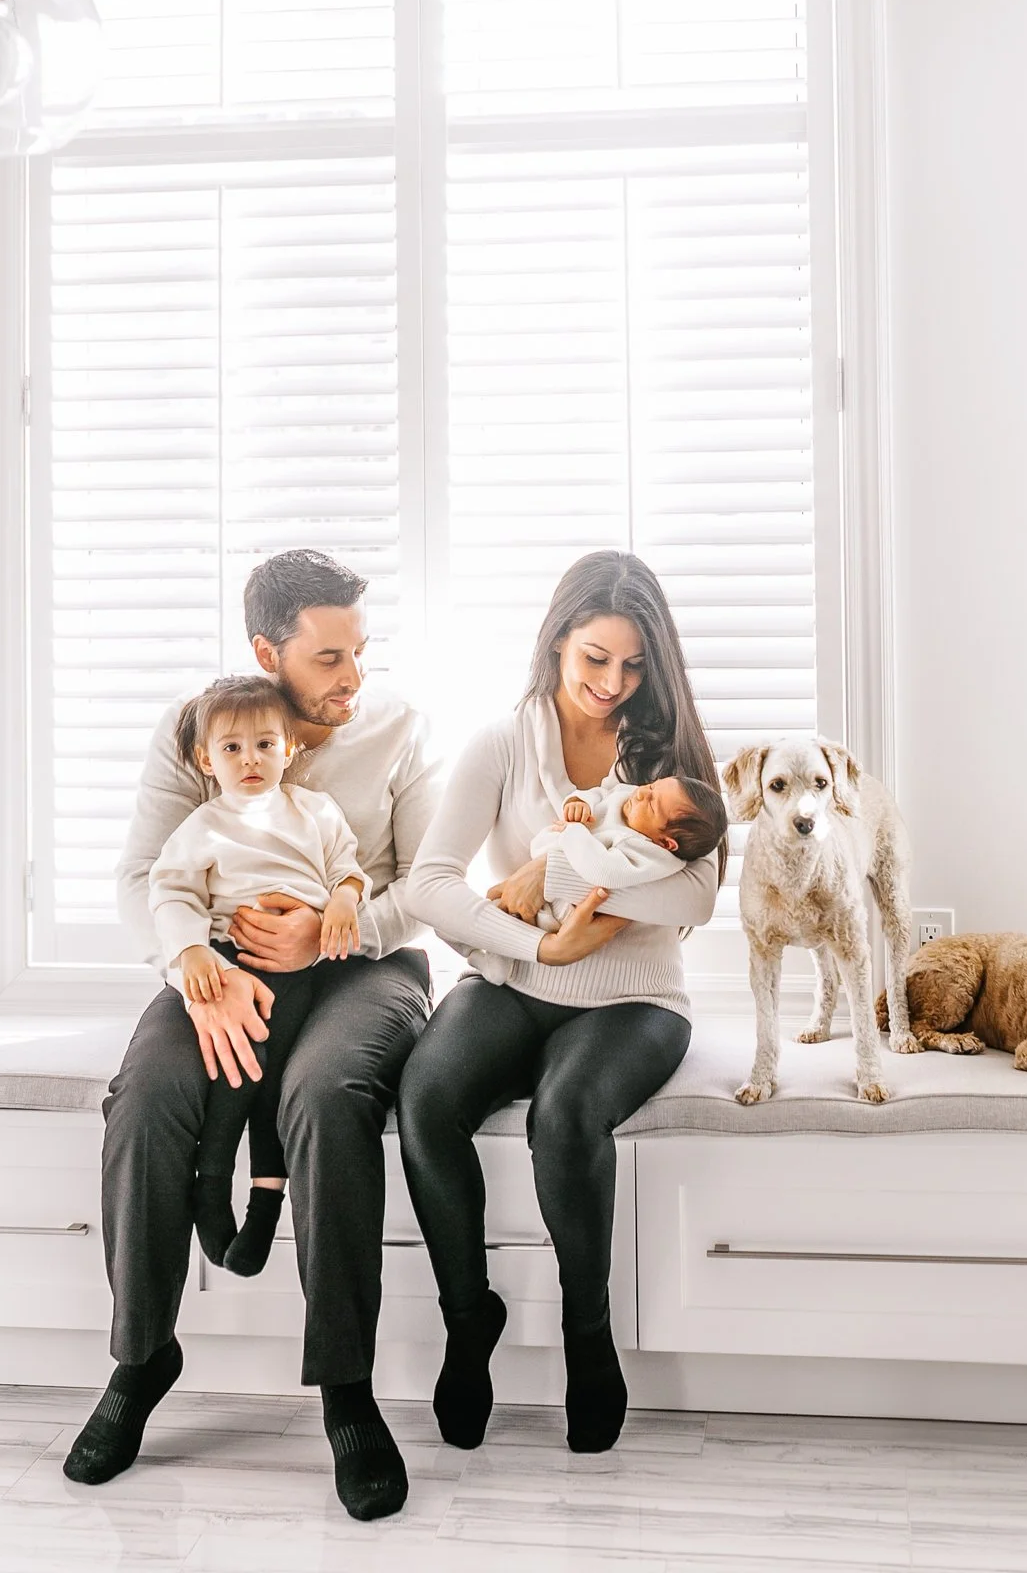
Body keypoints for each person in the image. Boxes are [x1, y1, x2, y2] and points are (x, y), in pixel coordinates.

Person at [63, 550, 439, 1524]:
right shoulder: (202, 730)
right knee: (147, 1096)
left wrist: (335, 926)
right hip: (223, 965)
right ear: (267, 651)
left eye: (360, 649)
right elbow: (145, 875)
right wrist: (197, 968)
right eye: (327, 657)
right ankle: (141, 1356)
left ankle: (347, 1395)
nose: (352, 676)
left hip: (367, 969)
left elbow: (426, 889)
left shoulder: (395, 728)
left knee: (321, 1094)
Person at [399, 549, 723, 1457]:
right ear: (554, 645)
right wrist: (539, 942)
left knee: (567, 1112)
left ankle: (589, 1334)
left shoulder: (667, 758)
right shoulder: (501, 745)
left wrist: (559, 869)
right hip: (517, 976)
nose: (611, 685)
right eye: (593, 659)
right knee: (425, 1099)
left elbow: (694, 899)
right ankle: (470, 1320)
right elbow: (429, 884)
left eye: (631, 665)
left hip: (635, 998)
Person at [149, 671, 368, 1277]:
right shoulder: (204, 826)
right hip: (233, 960)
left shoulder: (316, 811)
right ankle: (214, 1186)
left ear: (290, 748)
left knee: (273, 1077)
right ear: (205, 758)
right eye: (232, 748)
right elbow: (170, 894)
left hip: (307, 966)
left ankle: (264, 1200)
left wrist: (343, 902)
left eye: (265, 744)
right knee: (237, 1069)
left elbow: (348, 870)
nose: (250, 759)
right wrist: (193, 952)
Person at [531, 775, 728, 934]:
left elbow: (603, 871)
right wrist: (580, 802)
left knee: (536, 919)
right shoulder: (629, 795)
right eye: (652, 786)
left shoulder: (645, 852)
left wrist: (573, 830)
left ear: (665, 843)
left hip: (563, 908)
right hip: (548, 852)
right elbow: (601, 794)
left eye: (651, 805)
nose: (642, 793)